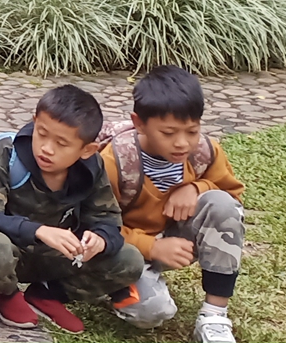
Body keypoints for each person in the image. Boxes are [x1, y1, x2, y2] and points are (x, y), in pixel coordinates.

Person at [0, 85, 147, 333]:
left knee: (130, 260)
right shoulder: (9, 152)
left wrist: (100, 239)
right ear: (34, 121)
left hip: (61, 256)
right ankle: (6, 294)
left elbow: (108, 220)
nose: (47, 148)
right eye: (41, 134)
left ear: (87, 150)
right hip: (12, 252)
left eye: (62, 144)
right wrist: (38, 230)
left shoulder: (91, 168)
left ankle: (47, 294)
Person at [99, 66, 246, 343]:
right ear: (139, 123)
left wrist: (197, 187)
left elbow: (232, 198)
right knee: (151, 313)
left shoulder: (205, 152)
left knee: (221, 205)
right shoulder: (114, 161)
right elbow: (96, 227)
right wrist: (151, 247)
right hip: (123, 248)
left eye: (192, 131)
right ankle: (113, 286)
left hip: (174, 238)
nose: (182, 143)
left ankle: (214, 315)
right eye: (168, 133)